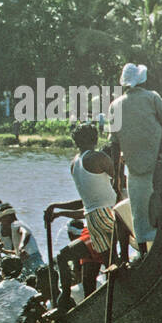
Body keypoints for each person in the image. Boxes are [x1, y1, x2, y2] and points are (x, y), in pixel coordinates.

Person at [44, 124, 122, 312]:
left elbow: (89, 197)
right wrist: (121, 162)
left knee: (110, 264)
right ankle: (123, 292)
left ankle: (112, 296)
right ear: (94, 139)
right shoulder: (98, 157)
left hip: (92, 218)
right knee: (119, 260)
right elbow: (119, 181)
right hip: (109, 212)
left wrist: (57, 208)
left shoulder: (74, 163)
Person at [108, 63, 162, 252]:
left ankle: (143, 253)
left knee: (139, 215)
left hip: (135, 170)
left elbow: (114, 144)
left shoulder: (115, 106)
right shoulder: (153, 98)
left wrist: (117, 175)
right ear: (143, 79)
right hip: (159, 166)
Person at [0, 205, 45, 273]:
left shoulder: (16, 224)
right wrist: (3, 250)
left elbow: (25, 233)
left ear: (9, 217)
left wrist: (21, 246)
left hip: (32, 258)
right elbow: (17, 252)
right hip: (27, 258)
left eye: (2, 218)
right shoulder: (14, 226)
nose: (1, 222)